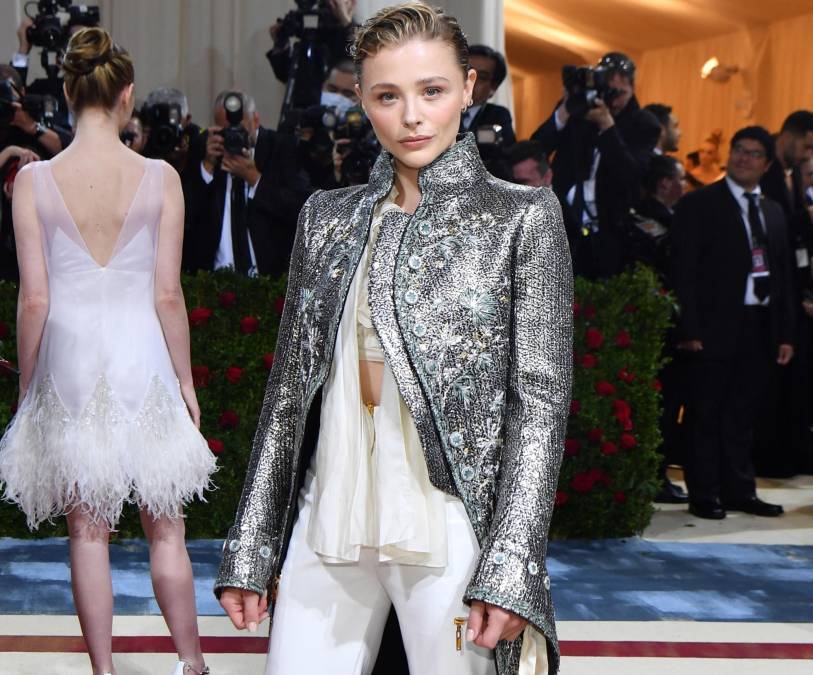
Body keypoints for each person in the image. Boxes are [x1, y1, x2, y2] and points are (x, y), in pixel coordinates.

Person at [215, 4, 573, 675]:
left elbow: (540, 407)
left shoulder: (522, 216)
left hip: (447, 524)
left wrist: (512, 564)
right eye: (387, 96)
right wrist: (254, 545)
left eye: (431, 91)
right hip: (330, 513)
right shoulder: (327, 218)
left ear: (468, 88)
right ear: (361, 98)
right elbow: (287, 396)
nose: (411, 116)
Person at [0, 27, 216, 675]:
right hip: (142, 361)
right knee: (166, 527)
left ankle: (104, 671)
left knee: (86, 532)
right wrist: (185, 381)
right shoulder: (160, 176)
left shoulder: (34, 181)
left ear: (68, 94)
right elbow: (168, 294)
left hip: (68, 363)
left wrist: (27, 386)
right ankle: (192, 663)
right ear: (126, 96)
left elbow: (34, 300)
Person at [671, 126, 794, 520]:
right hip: (711, 327)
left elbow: (783, 277)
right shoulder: (700, 203)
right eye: (739, 149)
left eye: (754, 153)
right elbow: (684, 271)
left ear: (767, 164)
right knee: (705, 412)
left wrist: (785, 334)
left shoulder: (773, 211)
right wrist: (689, 328)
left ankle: (740, 490)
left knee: (742, 414)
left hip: (759, 324)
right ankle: (705, 494)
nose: (743, 158)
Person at [532, 52, 661, 278]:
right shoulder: (578, 111)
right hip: (563, 223)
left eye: (621, 91)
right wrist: (564, 110)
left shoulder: (643, 123)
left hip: (610, 230)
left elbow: (630, 173)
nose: (614, 98)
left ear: (632, 89)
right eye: (609, 88)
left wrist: (607, 126)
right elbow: (536, 149)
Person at [181, 90, 311, 278]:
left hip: (270, 281)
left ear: (255, 120)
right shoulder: (204, 149)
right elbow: (187, 213)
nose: (233, 136)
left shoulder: (281, 148)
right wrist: (207, 167)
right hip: (213, 281)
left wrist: (255, 178)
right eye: (226, 130)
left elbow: (302, 206)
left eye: (239, 129)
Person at [754, 110, 813, 477]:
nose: (807, 154)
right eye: (806, 145)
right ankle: (769, 455)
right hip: (768, 293)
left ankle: (790, 452)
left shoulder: (790, 176)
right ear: (790, 135)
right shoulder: (769, 173)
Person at [460, 45, 516, 147]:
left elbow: (506, 151)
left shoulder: (498, 116)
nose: (470, 82)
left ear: (493, 88)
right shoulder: (438, 109)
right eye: (466, 73)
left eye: (481, 77)